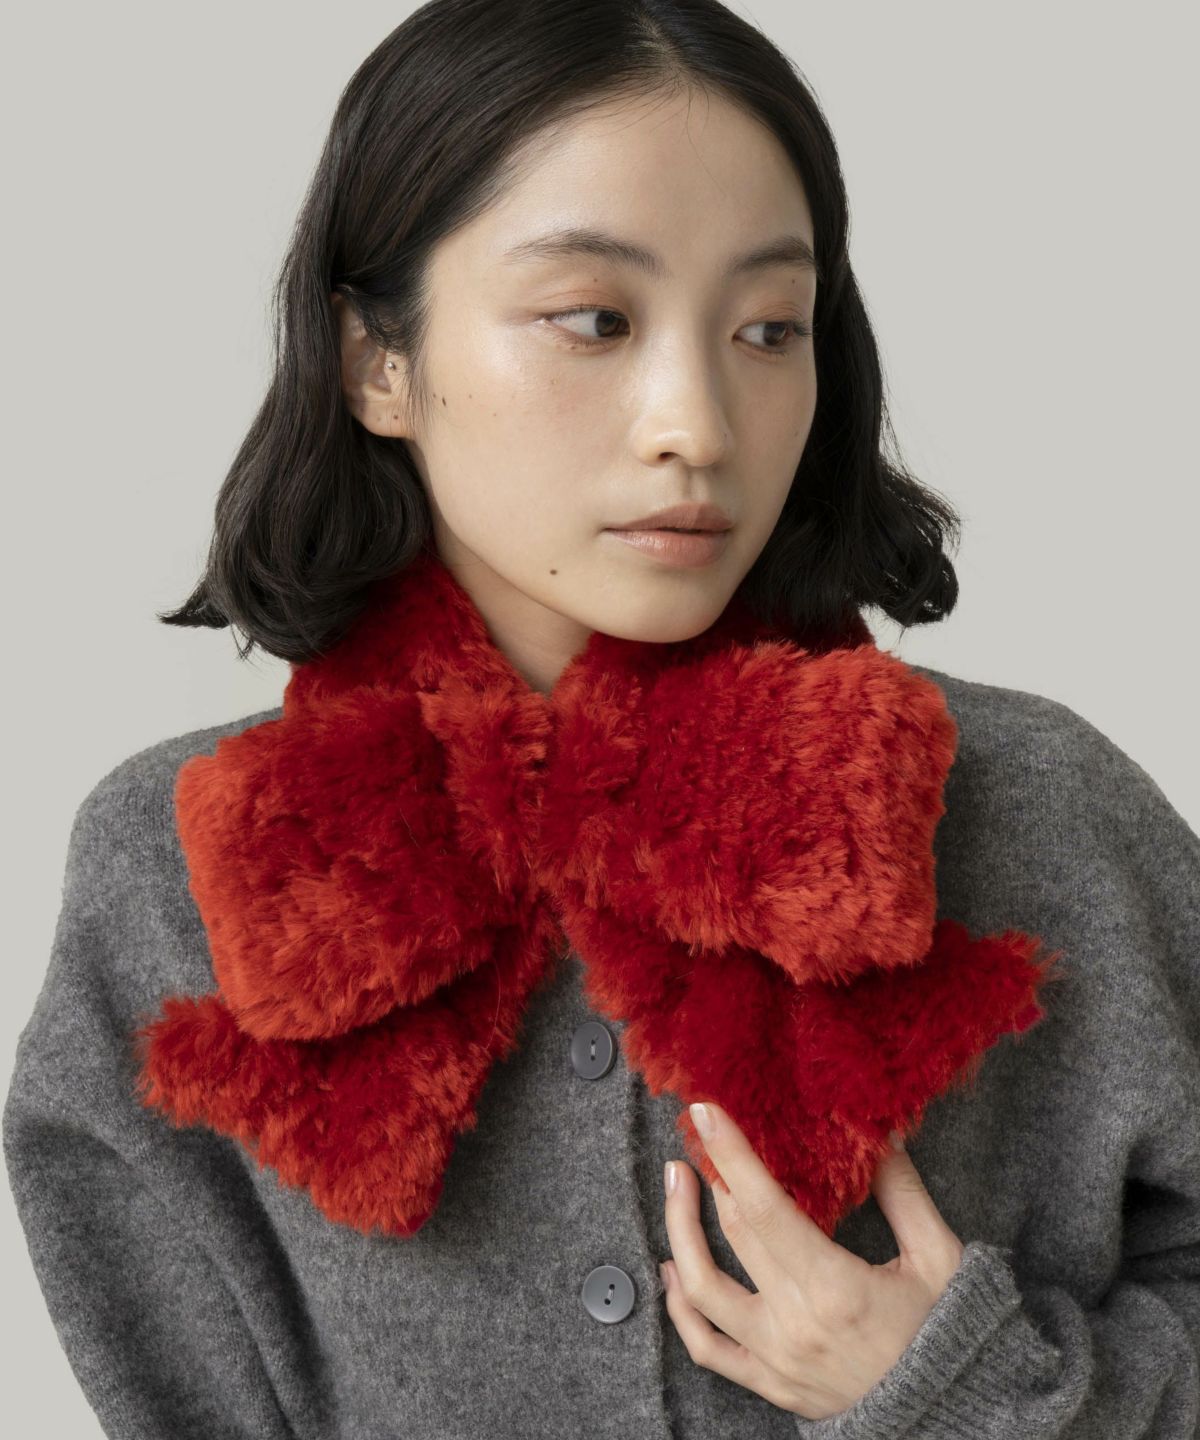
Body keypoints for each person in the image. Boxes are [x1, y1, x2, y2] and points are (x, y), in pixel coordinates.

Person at [5, 1, 1198, 1436]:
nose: (698, 421)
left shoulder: (1038, 807)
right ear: (377, 361)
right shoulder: (174, 869)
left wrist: (975, 1395)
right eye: (595, 321)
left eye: (768, 328)